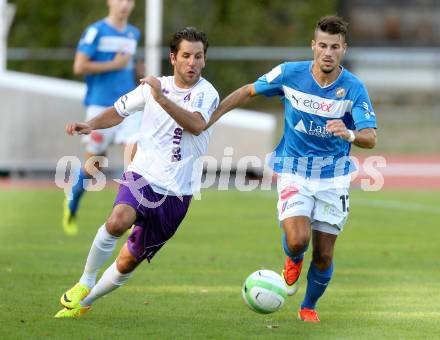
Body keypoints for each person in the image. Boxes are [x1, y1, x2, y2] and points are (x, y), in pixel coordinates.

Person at [206, 15, 377, 322]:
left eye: (334, 47)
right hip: (294, 170)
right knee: (298, 239)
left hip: (333, 179)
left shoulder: (353, 88)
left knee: (324, 254)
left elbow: (371, 137)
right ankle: (293, 258)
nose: (327, 52)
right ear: (313, 46)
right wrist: (212, 116)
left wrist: (349, 134)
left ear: (344, 49)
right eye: (322, 45)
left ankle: (308, 307)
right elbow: (248, 91)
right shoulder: (289, 73)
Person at [54, 27, 219, 318]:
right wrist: (91, 124)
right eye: (186, 56)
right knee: (118, 220)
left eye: (198, 56)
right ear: (173, 58)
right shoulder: (153, 88)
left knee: (128, 260)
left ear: (204, 60)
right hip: (143, 175)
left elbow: (195, 124)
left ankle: (84, 302)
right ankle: (85, 281)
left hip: (177, 195)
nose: (192, 62)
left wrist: (162, 98)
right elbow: (119, 110)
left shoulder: (207, 94)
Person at [63, 0, 142, 236]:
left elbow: (128, 67)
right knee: (94, 166)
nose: (124, 4)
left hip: (128, 104)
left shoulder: (133, 33)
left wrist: (139, 72)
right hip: (99, 106)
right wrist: (114, 64)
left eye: (129, 0)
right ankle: (72, 201)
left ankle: (133, 216)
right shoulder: (95, 31)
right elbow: (79, 66)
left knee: (136, 156)